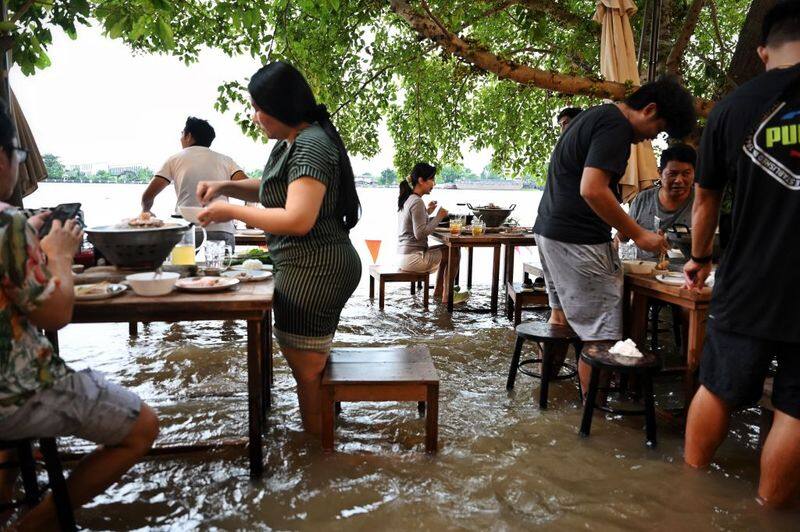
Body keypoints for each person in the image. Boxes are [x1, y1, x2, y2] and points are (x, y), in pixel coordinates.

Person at [0, 102, 158, 528]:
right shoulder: (7, 226)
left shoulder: (13, 228)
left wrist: (27, 236)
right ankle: (31, 526)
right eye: (17, 156)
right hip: (12, 394)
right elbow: (55, 315)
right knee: (143, 426)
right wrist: (59, 256)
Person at [196, 61, 361, 435]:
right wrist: (225, 187)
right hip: (308, 263)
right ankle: (322, 454)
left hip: (315, 268)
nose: (255, 117)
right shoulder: (294, 142)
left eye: (259, 107)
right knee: (311, 367)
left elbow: (297, 218)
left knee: (308, 372)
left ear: (281, 106)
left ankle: (317, 456)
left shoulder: (310, 144)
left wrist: (229, 211)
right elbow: (274, 188)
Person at [683, 2, 800, 508]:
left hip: (748, 276)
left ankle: (682, 497)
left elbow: (706, 199)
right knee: (796, 411)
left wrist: (699, 256)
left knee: (718, 387)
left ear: (762, 50)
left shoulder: (733, 109)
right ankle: (767, 512)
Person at [533, 76, 695, 388]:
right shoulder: (616, 128)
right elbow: (592, 190)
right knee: (603, 337)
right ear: (649, 110)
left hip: (548, 231)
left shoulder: (595, 115)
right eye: (658, 130)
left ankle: (547, 402)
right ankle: (593, 425)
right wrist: (639, 234)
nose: (651, 139)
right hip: (578, 240)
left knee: (560, 319)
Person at [141, 116, 248, 249]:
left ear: (188, 136)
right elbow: (248, 188)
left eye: (182, 133)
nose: (180, 138)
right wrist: (248, 216)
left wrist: (146, 210)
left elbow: (148, 195)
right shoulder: (226, 160)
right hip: (222, 229)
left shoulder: (174, 160)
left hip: (187, 231)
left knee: (185, 269)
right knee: (221, 268)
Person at [625, 143, 696, 260]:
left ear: (694, 174)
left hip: (688, 272)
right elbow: (621, 238)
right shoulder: (642, 200)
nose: (679, 180)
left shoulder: (701, 202)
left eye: (686, 174)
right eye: (672, 174)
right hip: (643, 270)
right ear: (659, 173)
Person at [397, 162, 453, 300]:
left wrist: (428, 212)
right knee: (454, 252)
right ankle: (447, 296)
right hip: (413, 259)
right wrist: (439, 216)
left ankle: (440, 291)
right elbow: (420, 233)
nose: (434, 183)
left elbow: (414, 223)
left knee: (448, 249)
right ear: (421, 181)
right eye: (432, 179)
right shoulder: (417, 202)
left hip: (404, 256)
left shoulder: (409, 199)